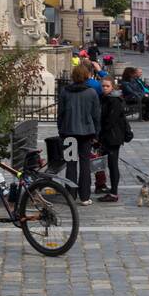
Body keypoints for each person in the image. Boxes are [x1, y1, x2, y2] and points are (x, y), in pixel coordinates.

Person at [57, 63, 101, 205]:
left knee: (70, 165)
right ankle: (84, 196)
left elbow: (61, 114)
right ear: (86, 76)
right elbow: (96, 116)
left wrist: (61, 130)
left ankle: (70, 194)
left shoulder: (65, 92)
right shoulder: (91, 92)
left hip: (69, 132)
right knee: (85, 164)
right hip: (87, 134)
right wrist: (97, 134)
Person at [97, 74, 133, 203]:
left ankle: (114, 193)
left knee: (113, 165)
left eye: (107, 86)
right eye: (103, 86)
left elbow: (110, 121)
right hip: (106, 136)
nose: (105, 88)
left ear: (113, 86)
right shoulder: (104, 98)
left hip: (113, 137)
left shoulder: (115, 100)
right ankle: (103, 186)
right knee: (101, 163)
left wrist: (100, 134)